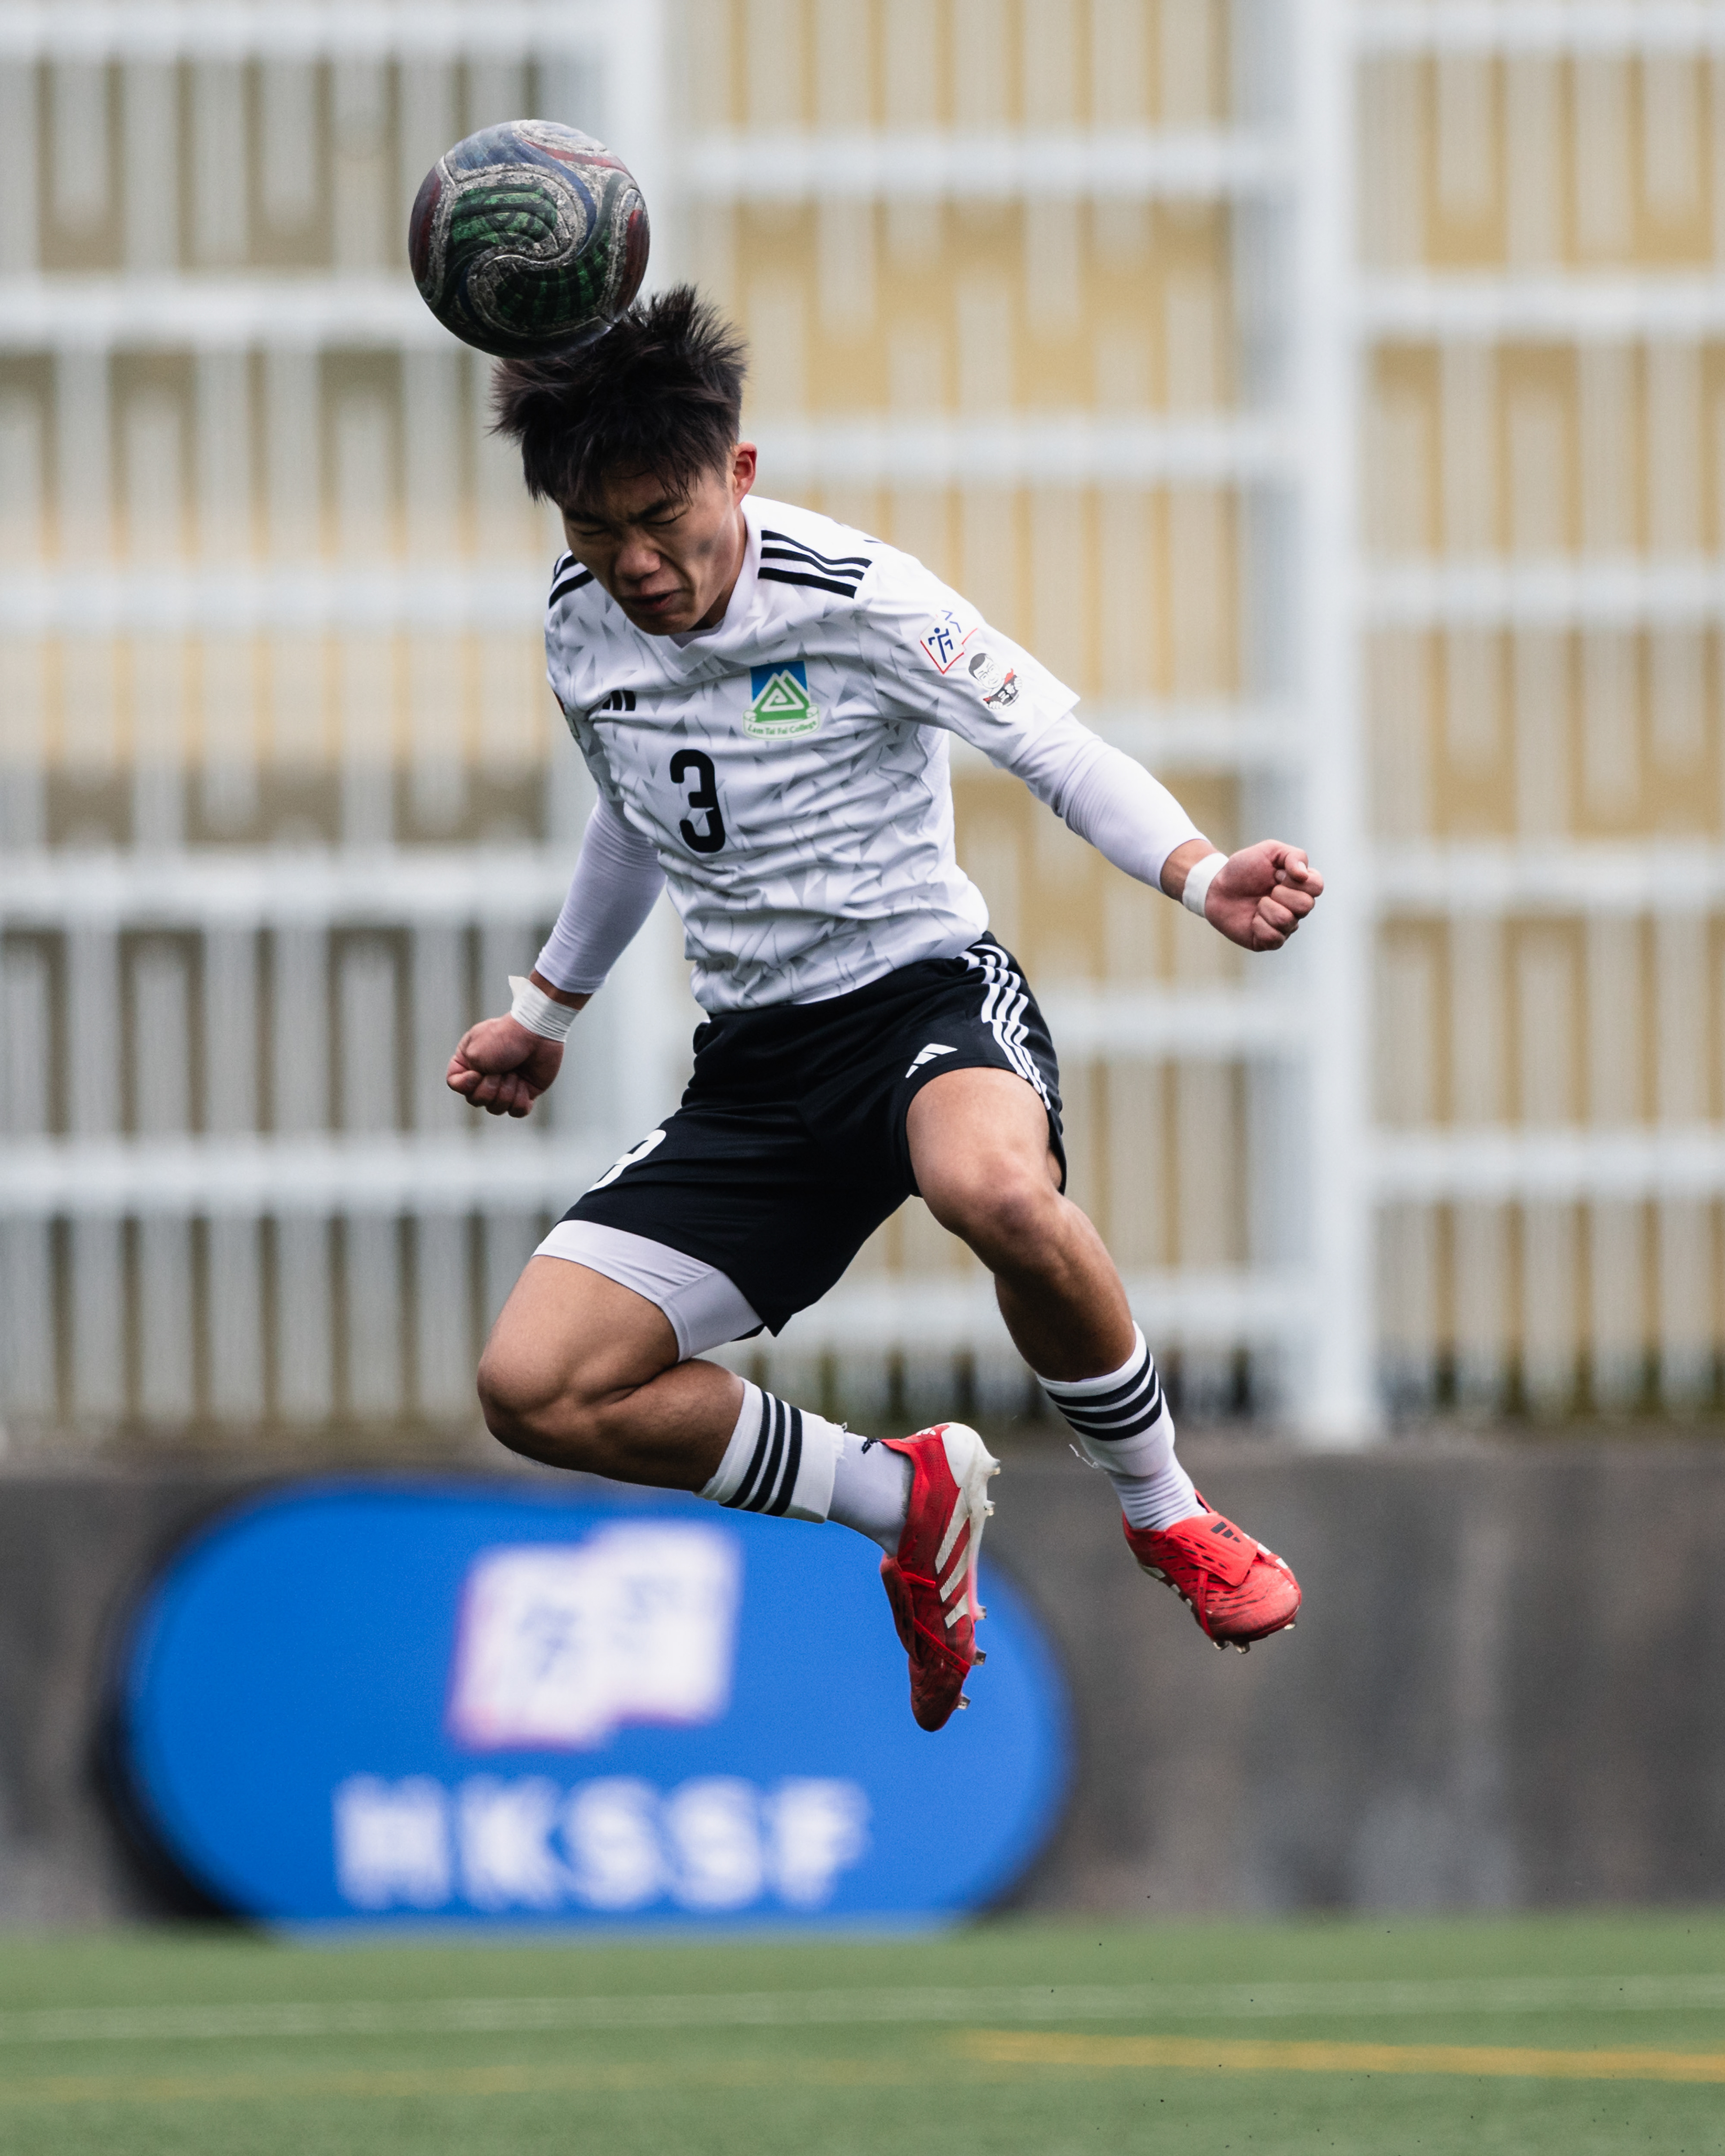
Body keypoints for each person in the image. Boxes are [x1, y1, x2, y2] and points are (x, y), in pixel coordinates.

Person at [448, 288, 1323, 1732]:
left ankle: (1165, 1507)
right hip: (755, 1062)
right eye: (597, 534)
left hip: (922, 998)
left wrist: (1200, 870)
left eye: (666, 519)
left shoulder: (860, 596)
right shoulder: (581, 625)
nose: (641, 565)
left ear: (738, 470)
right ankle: (901, 1501)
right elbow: (634, 817)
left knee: (993, 1191)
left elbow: (1053, 746)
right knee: (535, 1386)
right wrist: (547, 1009)